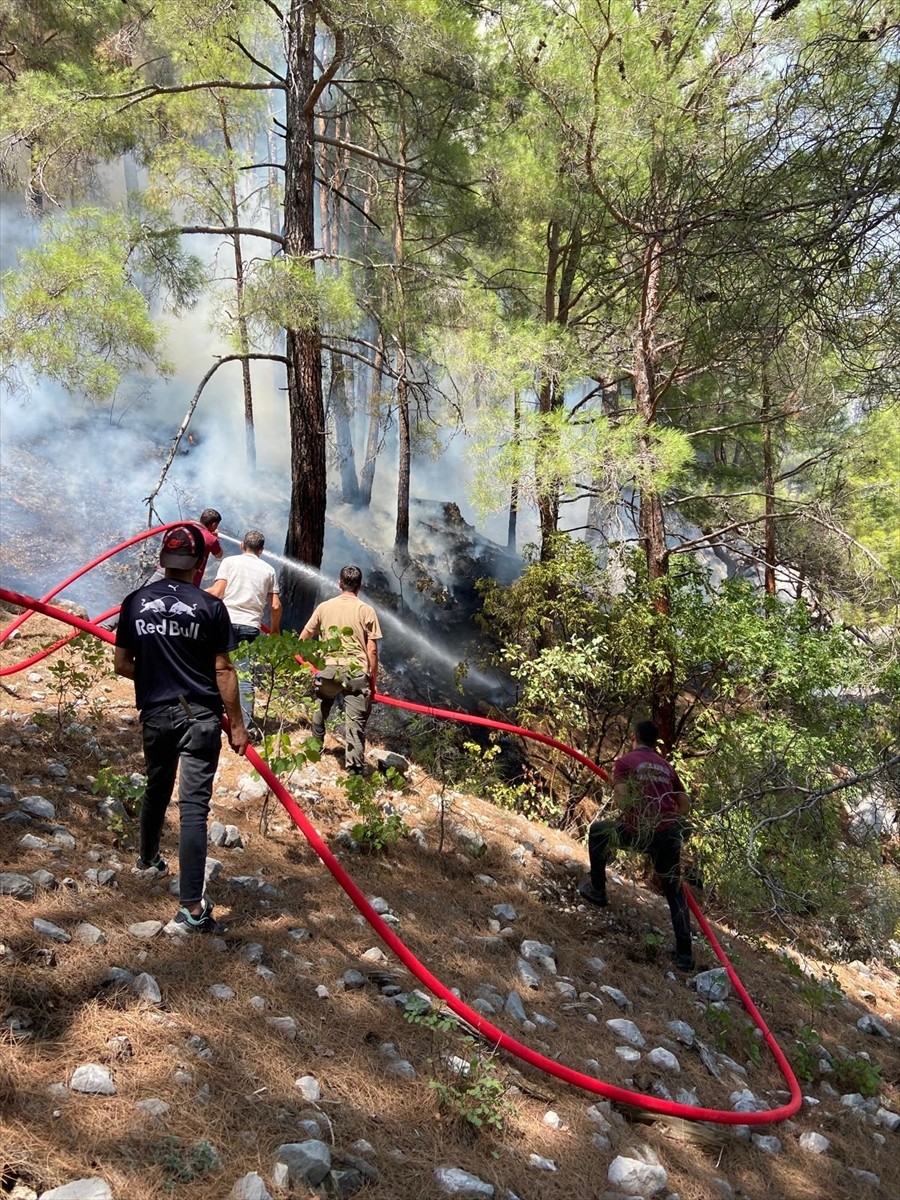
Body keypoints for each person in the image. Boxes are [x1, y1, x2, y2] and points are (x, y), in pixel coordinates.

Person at [114, 524, 249, 935]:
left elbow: (121, 665)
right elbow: (223, 671)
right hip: (200, 719)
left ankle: (148, 859)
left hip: (155, 714)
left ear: (162, 560)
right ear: (199, 564)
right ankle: (192, 908)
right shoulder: (210, 607)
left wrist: (155, 679)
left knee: (157, 786)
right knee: (193, 809)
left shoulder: (135, 602)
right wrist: (239, 726)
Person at [578, 719, 694, 970]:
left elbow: (621, 800)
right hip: (669, 832)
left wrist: (635, 810)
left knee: (598, 832)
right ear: (655, 743)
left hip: (641, 830)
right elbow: (684, 804)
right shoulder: (667, 767)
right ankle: (685, 956)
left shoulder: (626, 762)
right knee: (675, 892)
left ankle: (597, 890)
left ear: (634, 738)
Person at [299, 565, 382, 775]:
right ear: (359, 586)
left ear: (339, 583)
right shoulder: (366, 610)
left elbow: (303, 639)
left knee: (321, 702)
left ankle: (315, 746)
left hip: (329, 669)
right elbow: (371, 650)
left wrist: (314, 663)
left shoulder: (324, 607)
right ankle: (354, 770)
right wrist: (373, 682)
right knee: (355, 722)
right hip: (356, 673)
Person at [206, 530, 282, 736]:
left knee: (217, 668)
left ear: (242, 545)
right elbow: (275, 606)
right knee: (244, 675)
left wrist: (192, 595)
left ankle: (213, 717)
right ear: (262, 550)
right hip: (250, 627)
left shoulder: (229, 563)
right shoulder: (269, 570)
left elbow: (218, 592)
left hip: (226, 623)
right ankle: (245, 726)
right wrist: (274, 630)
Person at [192, 507, 224, 586]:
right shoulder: (211, 539)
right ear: (214, 525)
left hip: (166, 572)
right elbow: (219, 555)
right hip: (191, 580)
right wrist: (215, 538)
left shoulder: (187, 528)